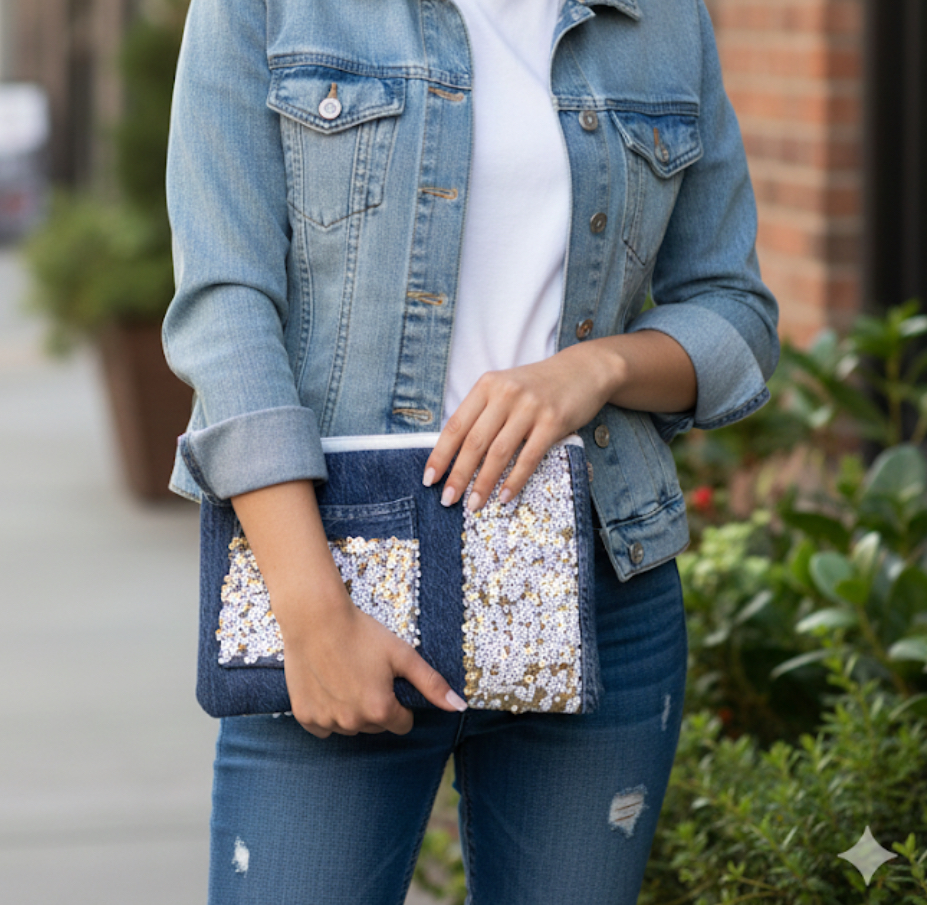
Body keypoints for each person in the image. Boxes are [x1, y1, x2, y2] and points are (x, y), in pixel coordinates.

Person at [163, 0, 779, 901]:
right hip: (337, 584)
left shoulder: (660, 19)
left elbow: (734, 309)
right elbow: (224, 306)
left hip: (600, 589)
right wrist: (312, 612)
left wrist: (596, 367)